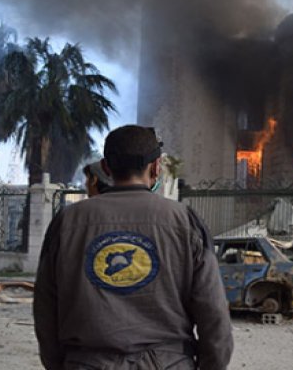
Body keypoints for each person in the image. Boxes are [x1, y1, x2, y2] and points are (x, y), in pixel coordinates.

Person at [34, 125, 233, 370]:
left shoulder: (68, 222)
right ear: (156, 167)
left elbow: (45, 308)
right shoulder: (185, 221)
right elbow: (213, 312)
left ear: (106, 168)